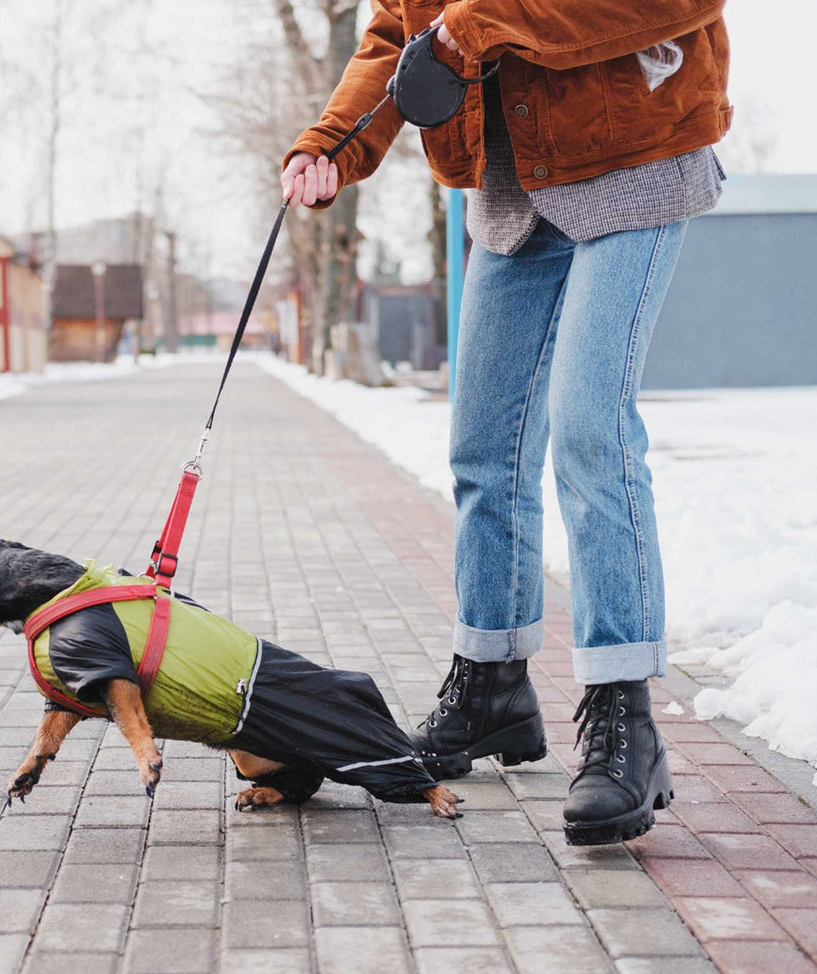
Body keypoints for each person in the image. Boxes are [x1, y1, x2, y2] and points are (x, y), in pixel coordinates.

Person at [281, 0, 730, 844]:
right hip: (511, 180)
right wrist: (336, 141)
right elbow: (397, 31)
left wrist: (473, 28)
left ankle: (622, 713)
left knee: (591, 427)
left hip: (632, 152)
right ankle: (491, 684)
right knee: (484, 449)